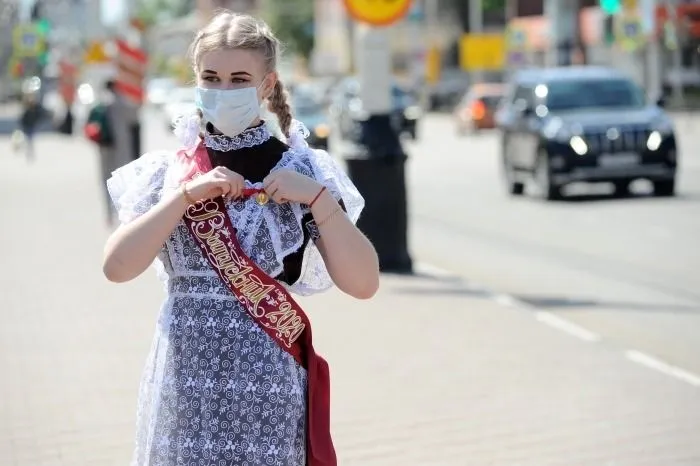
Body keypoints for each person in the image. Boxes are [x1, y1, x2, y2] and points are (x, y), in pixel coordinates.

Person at [102, 11, 380, 466]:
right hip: (182, 382)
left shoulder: (305, 170)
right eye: (211, 77)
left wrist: (316, 199)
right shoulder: (169, 172)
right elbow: (116, 267)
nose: (224, 90)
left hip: (267, 385)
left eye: (239, 78)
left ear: (266, 85)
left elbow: (364, 283)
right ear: (196, 80)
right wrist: (181, 199)